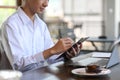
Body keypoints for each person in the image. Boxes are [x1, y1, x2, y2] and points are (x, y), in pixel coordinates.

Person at [1, 0, 81, 72]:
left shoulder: (41, 25)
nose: (46, 4)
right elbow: (18, 66)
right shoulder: (10, 25)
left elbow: (49, 58)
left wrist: (65, 55)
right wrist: (52, 50)